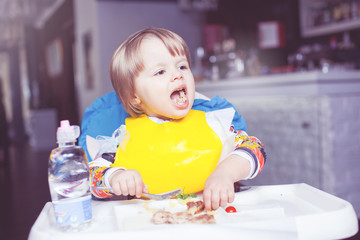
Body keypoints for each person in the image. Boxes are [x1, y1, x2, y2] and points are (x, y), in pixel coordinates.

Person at [83, 27, 266, 210]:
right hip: (152, 223)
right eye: (160, 72)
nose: (177, 74)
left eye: (182, 66)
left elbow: (255, 148)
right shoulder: (122, 139)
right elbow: (91, 177)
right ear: (135, 96)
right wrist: (114, 177)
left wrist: (225, 173)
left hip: (213, 217)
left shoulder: (213, 123)